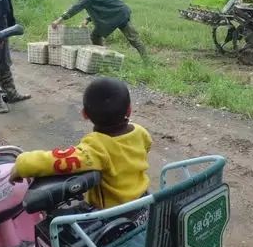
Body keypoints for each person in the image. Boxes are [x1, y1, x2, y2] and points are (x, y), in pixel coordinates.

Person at [9, 78, 152, 217]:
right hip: (143, 201)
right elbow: (147, 146)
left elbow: (59, 160)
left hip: (113, 213)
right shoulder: (140, 132)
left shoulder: (97, 146)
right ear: (129, 110)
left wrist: (22, 164)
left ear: (85, 114)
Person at [51, 0, 147, 60]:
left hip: (119, 14)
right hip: (113, 13)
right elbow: (100, 6)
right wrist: (88, 19)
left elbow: (76, 7)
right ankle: (102, 57)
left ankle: (146, 61)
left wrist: (59, 20)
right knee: (96, 36)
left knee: (132, 38)